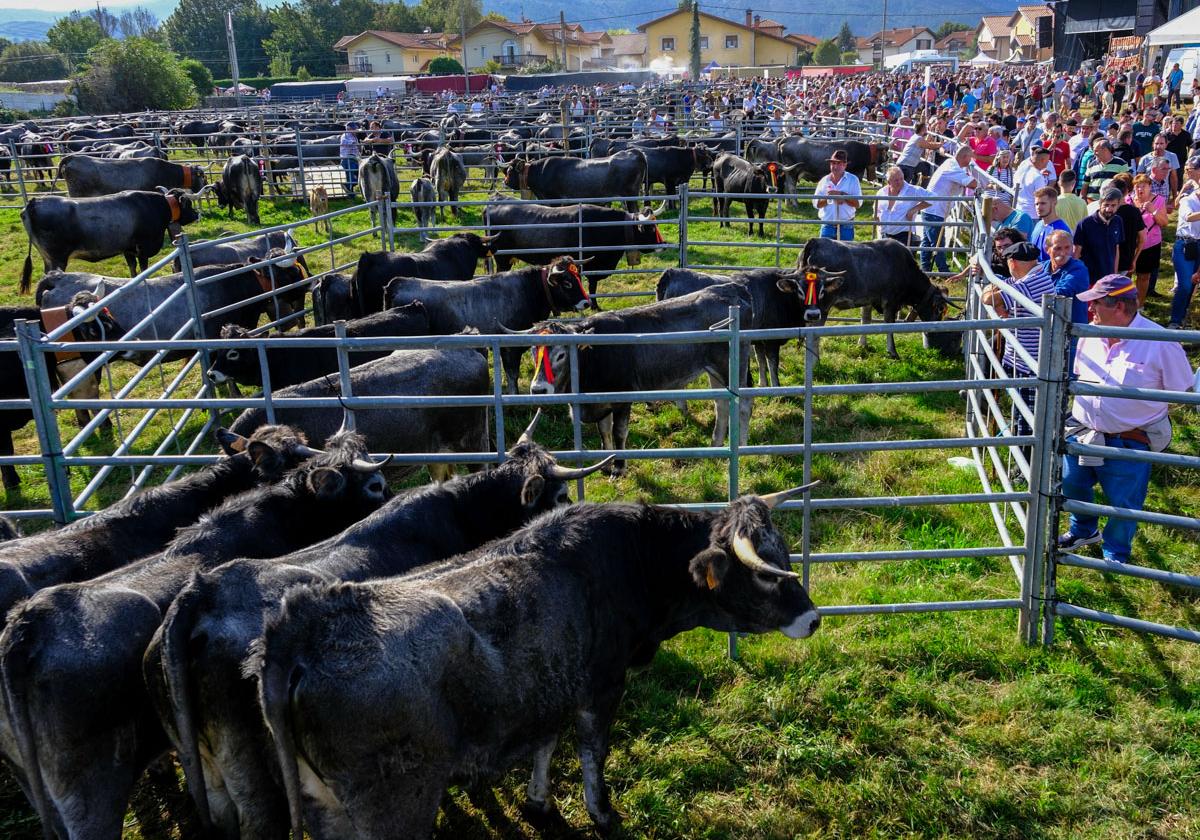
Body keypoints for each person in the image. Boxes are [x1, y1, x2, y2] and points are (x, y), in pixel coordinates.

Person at [1058, 274, 1195, 564]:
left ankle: (1115, 552)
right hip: (1083, 430)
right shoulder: (1089, 333)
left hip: (1130, 437)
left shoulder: (1160, 342)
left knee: (1124, 503)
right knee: (1071, 483)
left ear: (1119, 306)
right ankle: (1084, 529)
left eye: (1096, 304)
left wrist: (1141, 416)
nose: (1090, 310)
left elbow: (1183, 392)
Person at [981, 241, 1056, 443]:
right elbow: (996, 289)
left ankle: (1026, 464)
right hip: (1025, 358)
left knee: (1026, 419)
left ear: (1012, 262)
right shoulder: (1036, 277)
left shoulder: (1028, 284)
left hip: (1029, 363)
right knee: (1020, 411)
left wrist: (995, 296)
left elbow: (988, 299)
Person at [921, 144, 978, 274]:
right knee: (938, 243)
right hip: (935, 210)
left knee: (928, 242)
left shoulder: (951, 163)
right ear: (964, 157)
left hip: (931, 208)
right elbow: (972, 184)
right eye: (970, 158)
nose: (971, 161)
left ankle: (925, 270)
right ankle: (943, 272)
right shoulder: (953, 168)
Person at [1169, 155, 1200, 329]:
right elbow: (1188, 216)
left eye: (1191, 168)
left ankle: (1182, 318)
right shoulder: (1188, 195)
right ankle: (1174, 320)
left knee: (1193, 283)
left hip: (1199, 243)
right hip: (1184, 244)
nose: (1187, 171)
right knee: (1185, 284)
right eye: (1187, 168)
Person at [1128, 174, 1168, 303]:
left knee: (1143, 276)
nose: (1140, 189)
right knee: (1125, 274)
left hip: (1150, 244)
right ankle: (1125, 303)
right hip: (1129, 245)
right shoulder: (1128, 200)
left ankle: (1139, 304)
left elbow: (1164, 223)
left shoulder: (1158, 200)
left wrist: (1153, 210)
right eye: (1137, 187)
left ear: (1150, 187)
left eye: (1143, 186)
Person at [1074, 187, 1125, 285]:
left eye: (1113, 205)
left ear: (1118, 205)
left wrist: (1114, 274)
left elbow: (1116, 249)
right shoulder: (1084, 224)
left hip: (1108, 279)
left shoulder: (1118, 221)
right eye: (1106, 205)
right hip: (1088, 279)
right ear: (1100, 203)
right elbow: (1076, 253)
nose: (1109, 209)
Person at [874, 165, 930, 246]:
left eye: (901, 179)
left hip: (903, 235)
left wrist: (915, 209)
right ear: (889, 182)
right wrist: (876, 217)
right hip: (884, 234)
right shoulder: (881, 192)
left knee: (901, 258)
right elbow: (876, 209)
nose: (900, 182)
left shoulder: (912, 190)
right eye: (896, 180)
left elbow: (933, 198)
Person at [814, 149, 861, 241]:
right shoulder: (824, 181)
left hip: (846, 225)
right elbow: (816, 204)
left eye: (838, 163)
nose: (835, 166)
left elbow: (858, 203)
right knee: (826, 254)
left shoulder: (853, 180)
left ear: (845, 165)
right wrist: (829, 199)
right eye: (832, 163)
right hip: (827, 225)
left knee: (845, 254)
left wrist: (842, 196)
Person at [1109, 173, 1146, 278]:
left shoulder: (1105, 211)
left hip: (1106, 260)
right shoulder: (1134, 212)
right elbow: (1142, 238)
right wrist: (1134, 259)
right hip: (1126, 261)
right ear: (1126, 192)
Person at [1013, 145, 1055, 218]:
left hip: (1017, 211)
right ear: (1042, 160)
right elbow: (1041, 199)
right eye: (1047, 161)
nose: (1048, 163)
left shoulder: (1021, 169)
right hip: (1031, 216)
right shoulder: (1038, 177)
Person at [1030, 186, 1071, 260]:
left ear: (1054, 203)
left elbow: (1064, 261)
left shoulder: (1061, 230)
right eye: (1037, 204)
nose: (1038, 207)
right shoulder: (1038, 225)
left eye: (1043, 203)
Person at [339, 122, 360, 194]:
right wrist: (353, 142)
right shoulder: (345, 135)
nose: (356, 130)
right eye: (355, 129)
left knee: (357, 175)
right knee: (351, 178)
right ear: (349, 129)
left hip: (353, 158)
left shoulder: (354, 136)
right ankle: (350, 192)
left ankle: (348, 187)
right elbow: (344, 142)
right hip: (347, 158)